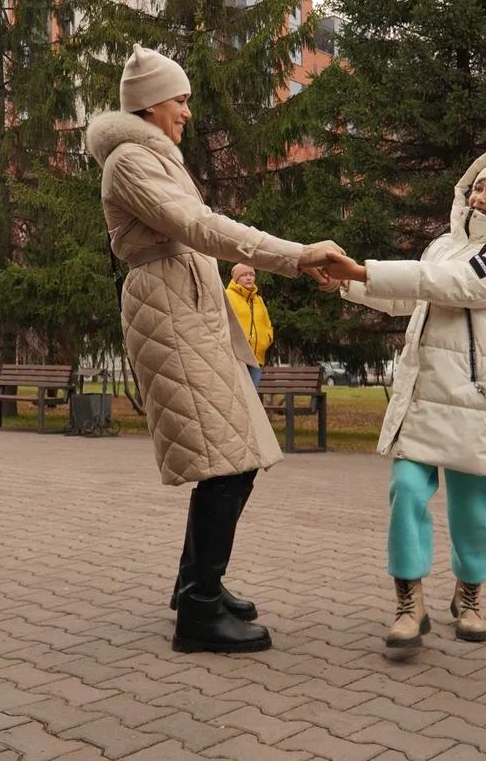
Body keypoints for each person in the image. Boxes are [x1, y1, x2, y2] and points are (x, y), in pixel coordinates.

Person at [86, 44, 343, 654]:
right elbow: (200, 228)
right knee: (227, 459)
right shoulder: (130, 161)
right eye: (181, 100)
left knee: (233, 455)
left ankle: (196, 585)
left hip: (188, 311)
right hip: (169, 312)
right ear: (150, 104)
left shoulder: (154, 157)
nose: (188, 112)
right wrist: (296, 254)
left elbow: (197, 231)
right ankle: (200, 609)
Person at [319, 148, 486, 658]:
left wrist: (364, 270)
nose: (481, 196)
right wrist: (348, 284)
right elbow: (413, 297)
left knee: (474, 510)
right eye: (479, 187)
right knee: (406, 490)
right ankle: (410, 604)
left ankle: (468, 598)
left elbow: (454, 286)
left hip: (478, 397)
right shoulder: (441, 245)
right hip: (426, 393)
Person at [225, 263, 273, 386]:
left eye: (251, 274)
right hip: (237, 356)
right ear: (236, 278)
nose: (248, 278)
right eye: (244, 275)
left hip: (257, 357)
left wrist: (267, 339)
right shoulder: (228, 296)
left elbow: (267, 324)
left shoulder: (259, 300)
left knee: (253, 398)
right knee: (240, 398)